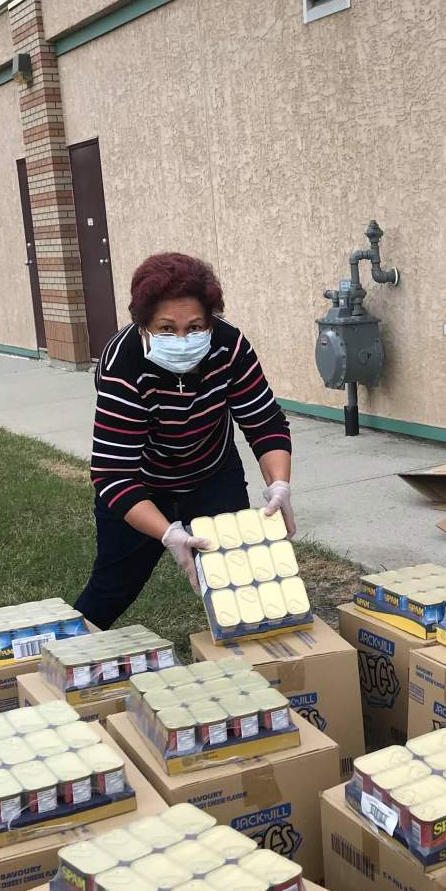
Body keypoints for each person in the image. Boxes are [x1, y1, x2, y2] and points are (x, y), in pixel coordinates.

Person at [74, 252, 293, 628]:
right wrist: (168, 531)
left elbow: (264, 421)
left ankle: (258, 663)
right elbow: (113, 475)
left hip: (211, 472)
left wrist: (280, 483)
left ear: (211, 322)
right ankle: (58, 668)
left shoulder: (230, 347)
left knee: (242, 581)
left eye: (194, 327)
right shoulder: (122, 365)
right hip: (140, 485)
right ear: (143, 324)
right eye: (165, 328)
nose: (181, 339)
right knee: (112, 588)